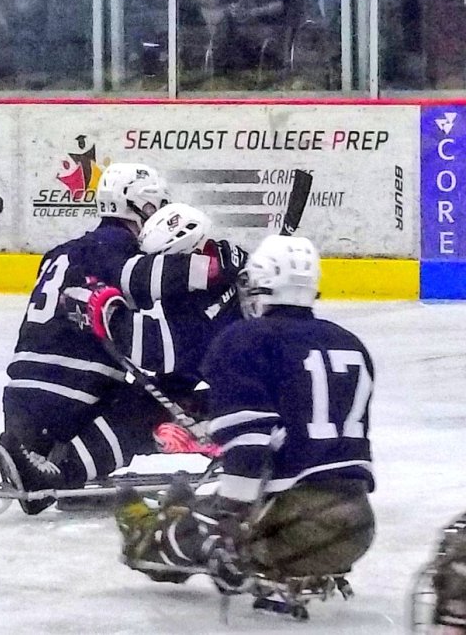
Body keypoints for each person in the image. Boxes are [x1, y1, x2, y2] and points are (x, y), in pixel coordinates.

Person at [115, 235, 375, 616]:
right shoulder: (351, 343)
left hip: (296, 525)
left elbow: (249, 444)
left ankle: (149, 535)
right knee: (216, 507)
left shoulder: (243, 339)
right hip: (358, 525)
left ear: (260, 286)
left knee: (197, 524)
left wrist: (227, 524)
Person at [0, 164, 246, 514]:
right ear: (142, 206)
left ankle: (53, 460)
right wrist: (216, 267)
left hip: (20, 394)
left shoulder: (60, 252)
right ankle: (60, 475)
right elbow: (146, 285)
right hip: (72, 392)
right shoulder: (115, 252)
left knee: (150, 389)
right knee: (140, 409)